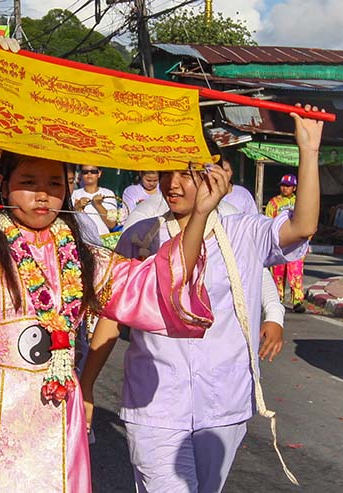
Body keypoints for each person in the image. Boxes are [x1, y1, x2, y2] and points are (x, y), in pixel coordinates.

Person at [0, 126, 231, 491]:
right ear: (3, 186)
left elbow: (155, 285)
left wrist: (199, 215)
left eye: (55, 183)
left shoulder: (84, 258)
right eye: (29, 181)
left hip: (57, 409)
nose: (42, 195)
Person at [81, 105, 323, 492]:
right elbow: (113, 313)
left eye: (186, 174)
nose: (173, 184)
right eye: (166, 173)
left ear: (213, 174)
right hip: (153, 403)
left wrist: (308, 152)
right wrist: (87, 385)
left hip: (223, 403)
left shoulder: (244, 231)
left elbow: (302, 225)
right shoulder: (140, 237)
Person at [266, 173, 307, 313]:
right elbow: (268, 221)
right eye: (283, 185)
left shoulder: (301, 202)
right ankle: (278, 299)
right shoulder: (273, 203)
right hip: (279, 245)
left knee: (295, 273)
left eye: (288, 186)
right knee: (278, 273)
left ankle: (298, 301)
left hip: (296, 244)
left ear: (294, 188)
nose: (285, 188)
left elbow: (307, 221)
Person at [71, 165, 118, 237]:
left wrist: (98, 205)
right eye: (85, 172)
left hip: (103, 240)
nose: (89, 174)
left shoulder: (109, 194)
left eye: (93, 171)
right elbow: (70, 222)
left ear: (99, 173)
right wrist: (77, 208)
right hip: (82, 240)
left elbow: (112, 224)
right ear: (80, 174)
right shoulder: (74, 194)